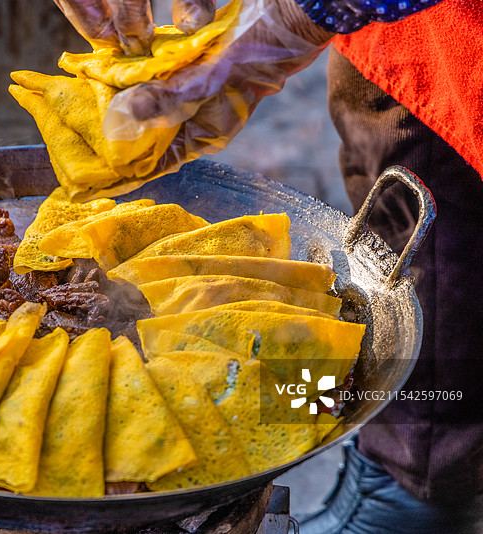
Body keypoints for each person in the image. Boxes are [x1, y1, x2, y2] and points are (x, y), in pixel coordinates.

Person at [50, 0, 483, 532]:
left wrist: (305, 11)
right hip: (394, 43)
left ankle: (413, 488)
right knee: (395, 206)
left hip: (459, 54)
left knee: (443, 275)